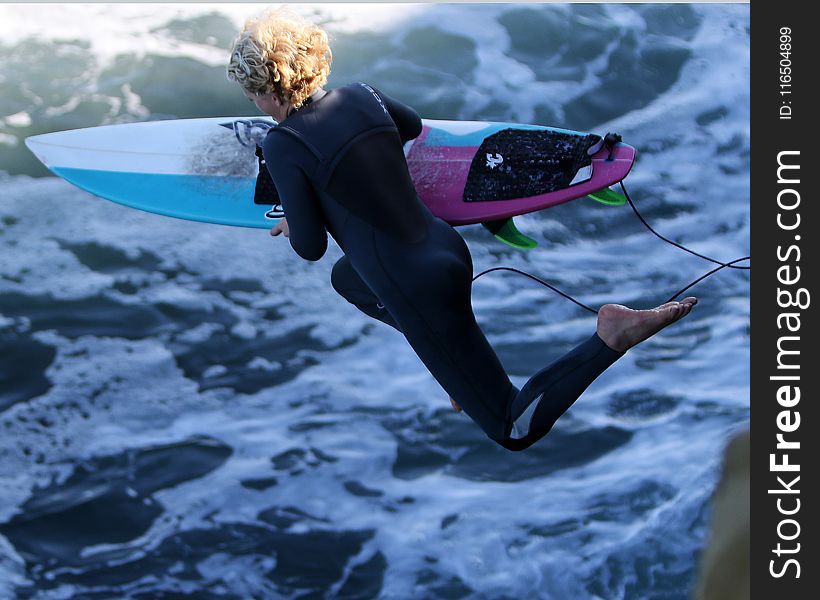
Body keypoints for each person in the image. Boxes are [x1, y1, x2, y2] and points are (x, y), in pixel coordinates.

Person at [226, 8, 697, 452]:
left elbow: (310, 246)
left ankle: (611, 335)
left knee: (512, 427)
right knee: (348, 279)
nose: (254, 103)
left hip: (413, 285)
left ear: (268, 89)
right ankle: (453, 369)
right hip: (445, 250)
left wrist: (297, 209)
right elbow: (410, 126)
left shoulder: (283, 143)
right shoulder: (361, 96)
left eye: (252, 94)